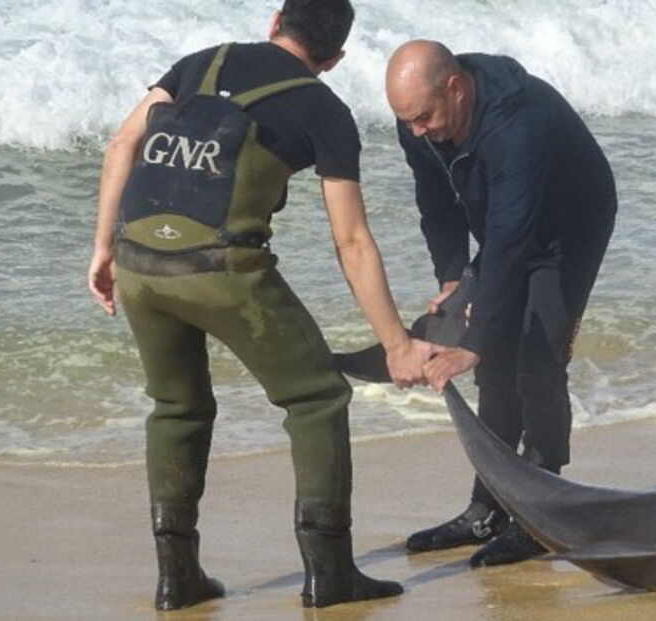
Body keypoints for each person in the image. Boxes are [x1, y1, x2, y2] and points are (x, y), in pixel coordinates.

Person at [87, 0, 432, 610]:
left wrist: (103, 250)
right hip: (224, 270)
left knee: (176, 407)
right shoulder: (325, 110)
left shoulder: (201, 61)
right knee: (319, 398)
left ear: (275, 21)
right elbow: (351, 241)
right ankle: (330, 575)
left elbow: (122, 147)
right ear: (335, 58)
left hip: (139, 259)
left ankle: (177, 577)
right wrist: (397, 345)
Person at [385, 40, 617, 567]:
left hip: (567, 232)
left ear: (456, 87)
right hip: (505, 225)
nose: (417, 130)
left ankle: (542, 510)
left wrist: (475, 341)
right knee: (493, 368)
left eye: (424, 116)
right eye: (407, 120)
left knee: (535, 356)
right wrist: (450, 278)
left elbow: (513, 238)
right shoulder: (419, 119)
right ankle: (484, 509)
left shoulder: (519, 124)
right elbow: (436, 199)